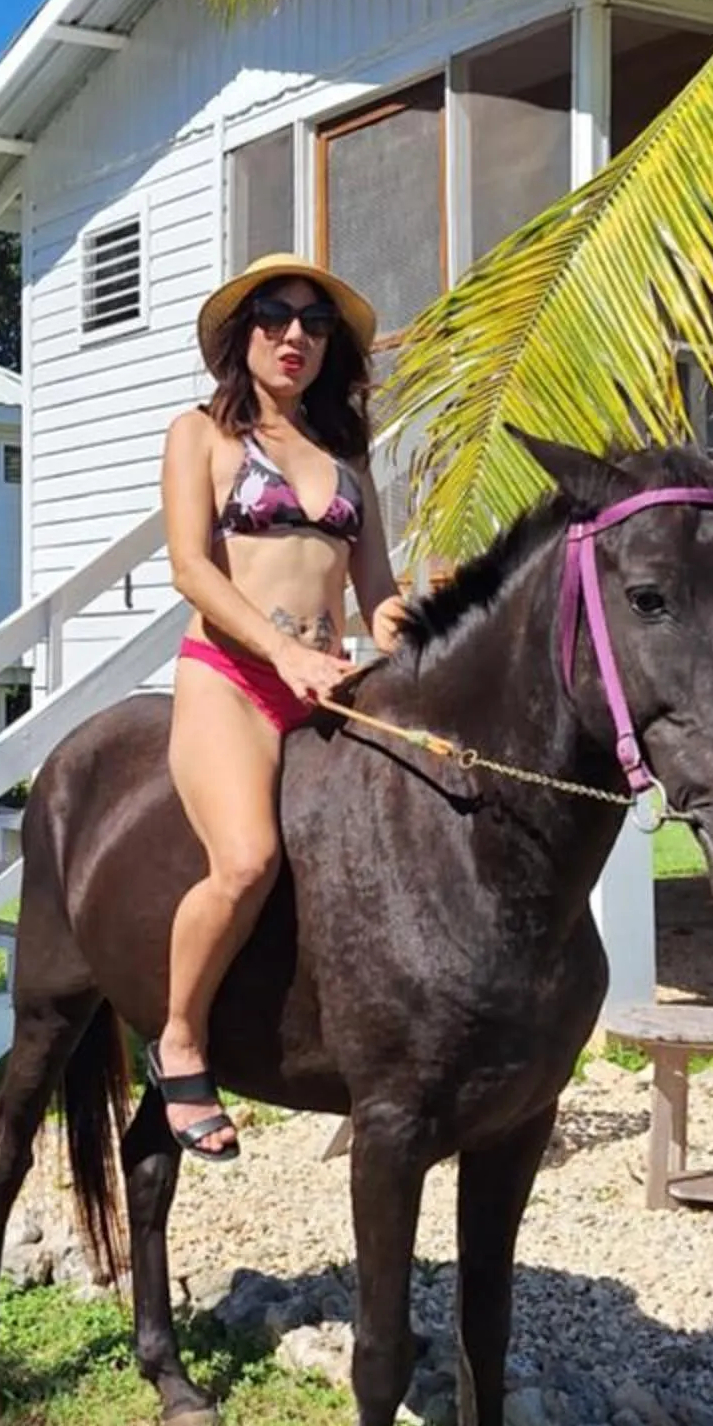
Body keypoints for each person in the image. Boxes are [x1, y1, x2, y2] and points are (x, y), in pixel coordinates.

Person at [148, 253, 407, 1160]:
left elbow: (377, 593)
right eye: (274, 314)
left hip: (329, 685)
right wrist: (283, 652)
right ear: (242, 333)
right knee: (247, 861)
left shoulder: (347, 456)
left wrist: (416, 627)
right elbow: (191, 569)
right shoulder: (201, 434)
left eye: (316, 322)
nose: (295, 334)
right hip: (233, 680)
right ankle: (180, 1039)